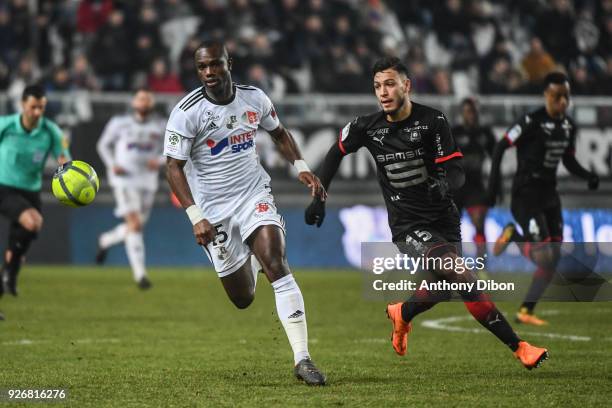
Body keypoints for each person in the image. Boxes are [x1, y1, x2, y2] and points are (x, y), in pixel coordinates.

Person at [305, 56, 548, 370]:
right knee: (462, 277)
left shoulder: (433, 121)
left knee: (442, 289)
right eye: (377, 86)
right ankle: (520, 348)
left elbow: (457, 170)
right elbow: (336, 151)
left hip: (444, 218)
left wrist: (445, 186)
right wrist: (320, 194)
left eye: (390, 83)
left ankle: (402, 314)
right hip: (408, 226)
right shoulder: (367, 127)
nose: (383, 91)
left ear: (407, 86)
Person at [164, 41, 327, 385]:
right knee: (243, 298)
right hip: (213, 211)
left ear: (228, 63)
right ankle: (251, 260)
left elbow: (279, 133)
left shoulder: (255, 98)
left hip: (253, 194)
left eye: (215, 65)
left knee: (277, 263)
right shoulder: (186, 112)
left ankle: (303, 358)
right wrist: (196, 217)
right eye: (202, 68)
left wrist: (301, 166)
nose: (209, 73)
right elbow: (173, 168)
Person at [487, 72, 599, 326]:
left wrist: (587, 175)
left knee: (554, 257)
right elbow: (500, 146)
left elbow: (568, 161)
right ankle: (513, 235)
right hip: (526, 194)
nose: (562, 101)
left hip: (550, 194)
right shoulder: (530, 121)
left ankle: (526, 311)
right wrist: (493, 186)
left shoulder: (569, 126)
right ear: (546, 95)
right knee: (545, 258)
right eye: (557, 96)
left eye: (566, 96)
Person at [0, 84, 70, 302]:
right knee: (32, 222)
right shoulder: (6, 125)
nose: (37, 112)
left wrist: (69, 175)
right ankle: (9, 274)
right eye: (33, 107)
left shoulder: (51, 131)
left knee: (16, 252)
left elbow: (64, 159)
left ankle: (8, 276)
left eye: (41, 107)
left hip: (31, 191)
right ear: (23, 105)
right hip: (4, 187)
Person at [96, 89, 165, 289]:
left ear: (152, 104)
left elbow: (170, 150)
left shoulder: (161, 126)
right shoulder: (119, 123)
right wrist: (111, 164)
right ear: (134, 103)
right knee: (134, 225)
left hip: (147, 181)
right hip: (124, 180)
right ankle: (140, 275)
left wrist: (159, 161)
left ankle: (106, 240)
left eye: (147, 98)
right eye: (140, 98)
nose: (143, 101)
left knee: (137, 226)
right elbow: (103, 145)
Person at [451, 98, 495, 261]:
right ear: (462, 113)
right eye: (467, 111)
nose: (471, 115)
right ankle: (454, 266)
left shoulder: (485, 134)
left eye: (473, 111)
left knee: (479, 225)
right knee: (452, 229)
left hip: (476, 186)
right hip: (455, 187)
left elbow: (496, 159)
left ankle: (482, 267)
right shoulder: (453, 132)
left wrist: (495, 185)